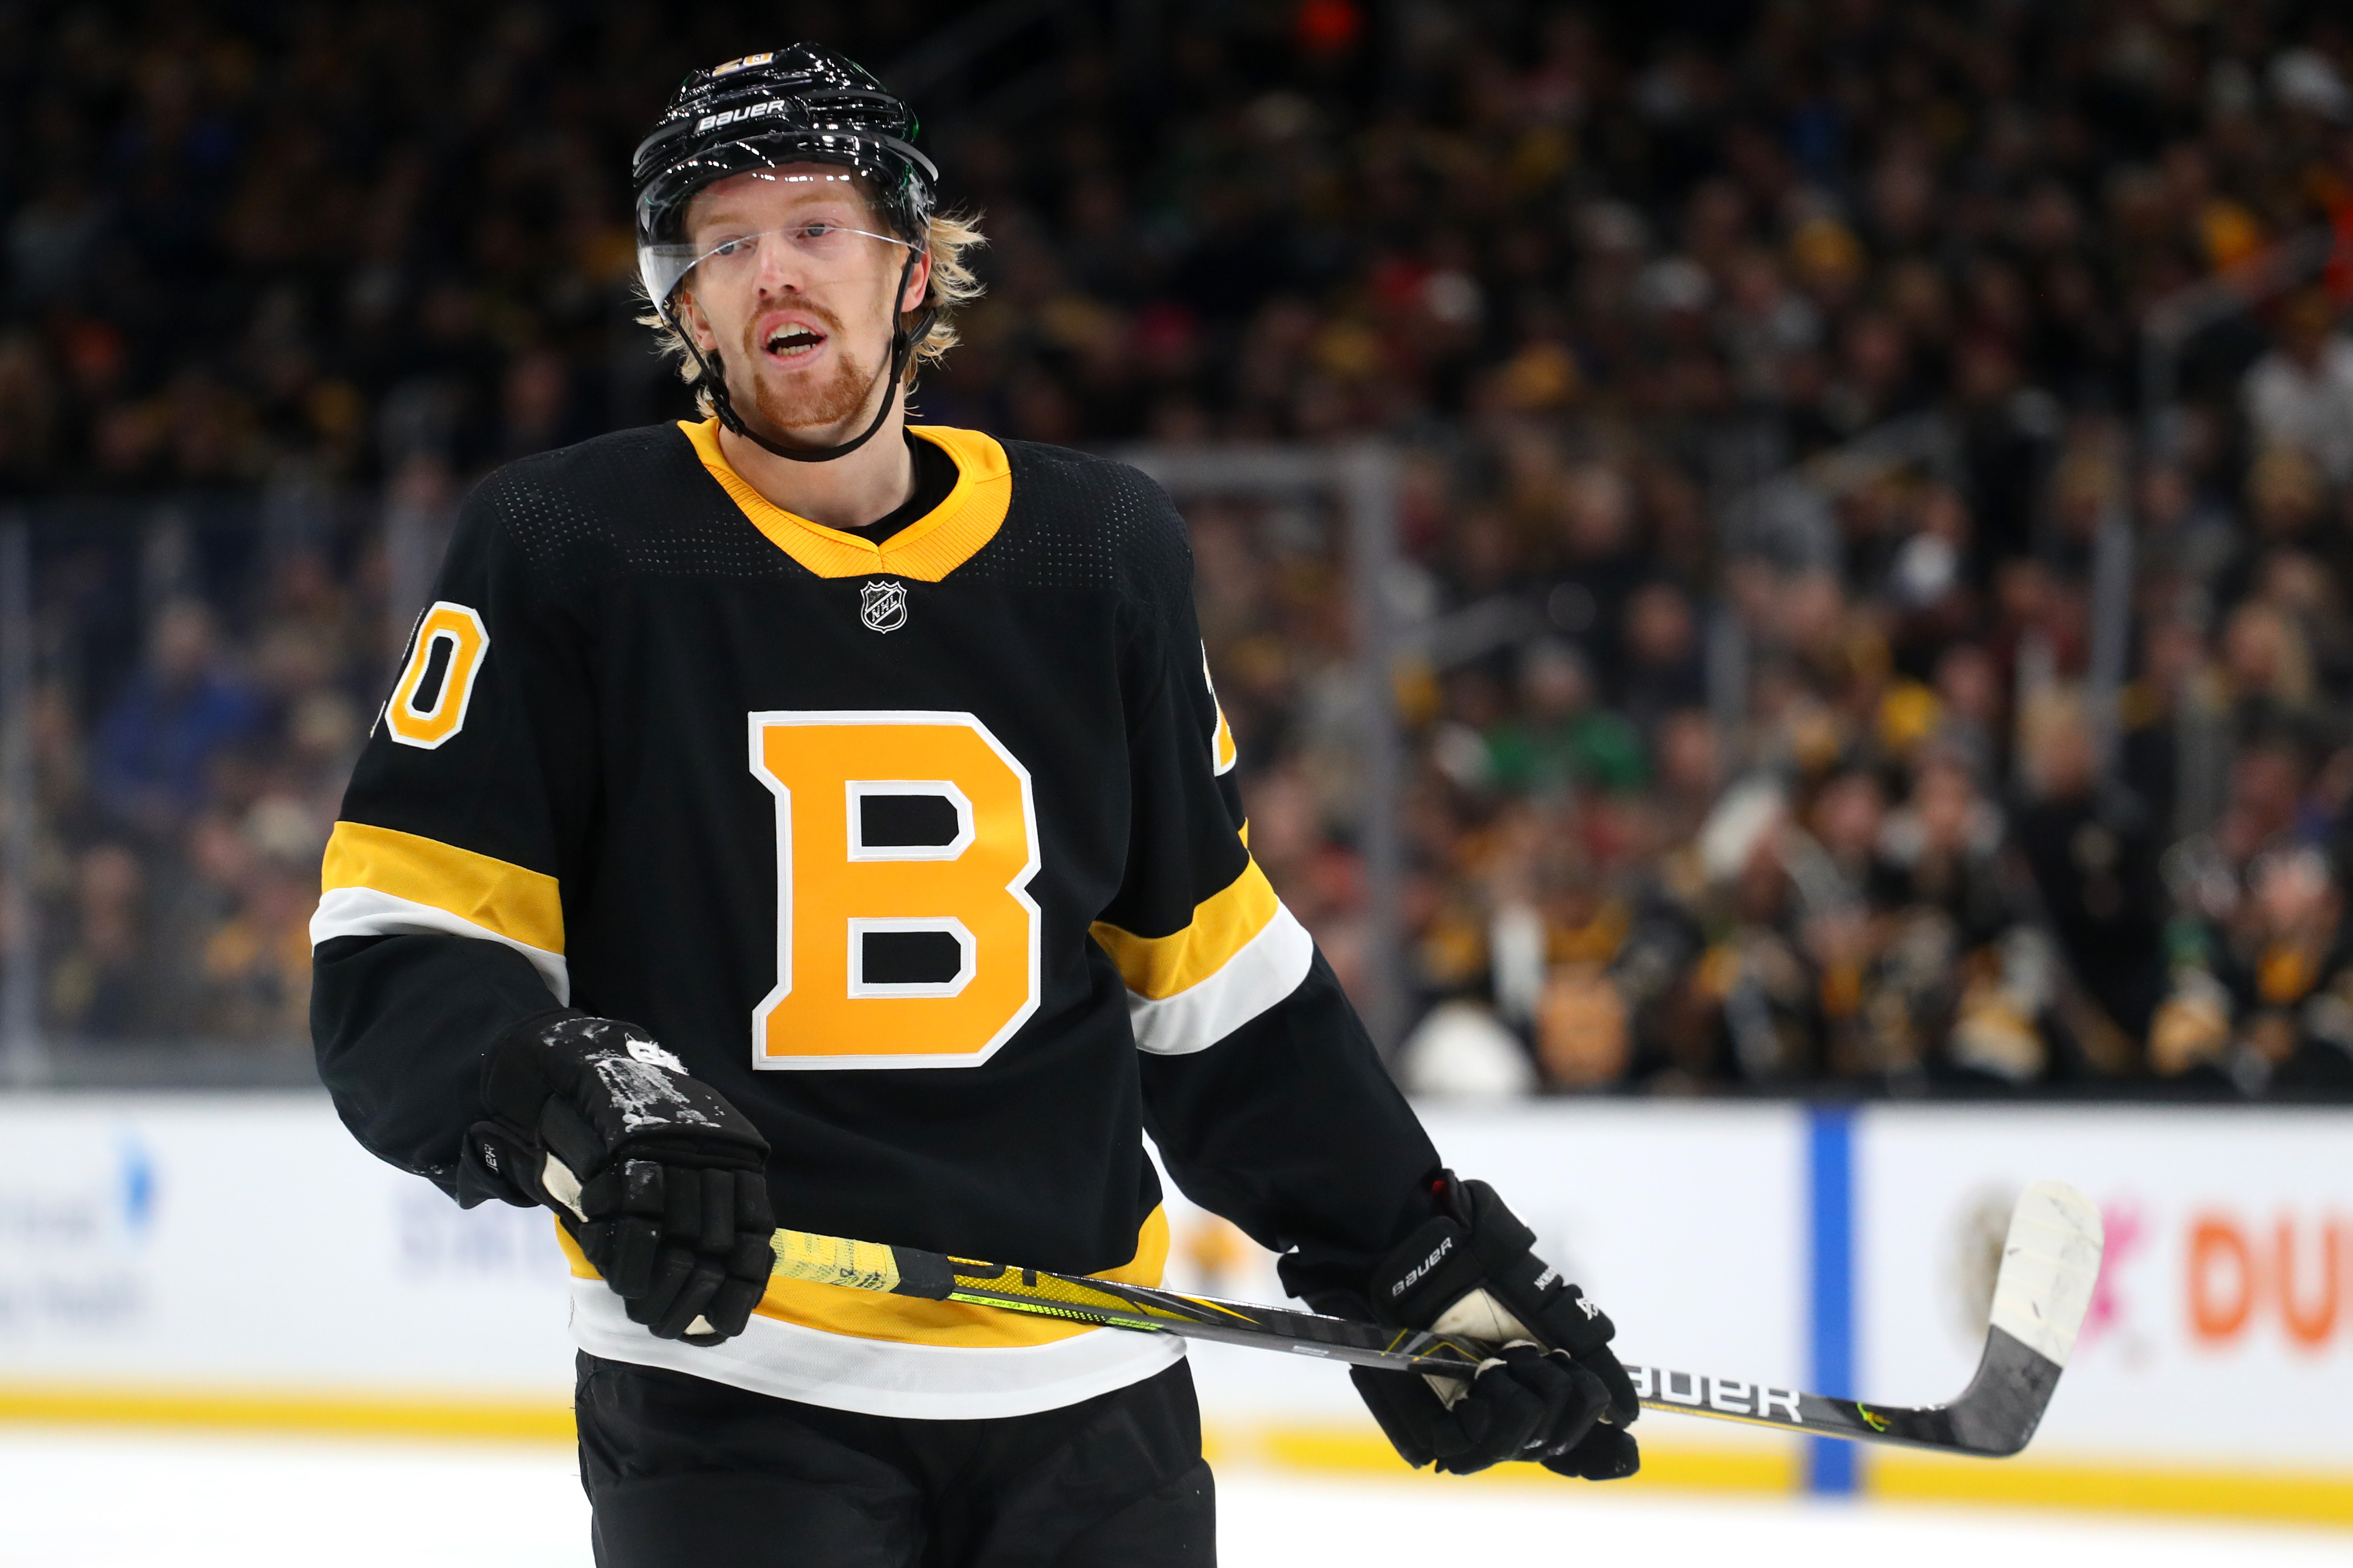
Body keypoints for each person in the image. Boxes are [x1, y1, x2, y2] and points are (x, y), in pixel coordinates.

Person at [309, 46, 1639, 1566]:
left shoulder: (1098, 551)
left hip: (1093, 1399)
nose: (770, 272)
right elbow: (401, 947)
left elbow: (1205, 978)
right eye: (722, 244)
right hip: (737, 1393)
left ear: (914, 266)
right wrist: (573, 1093)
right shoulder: (566, 544)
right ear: (679, 305)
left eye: (816, 225)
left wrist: (1404, 1239)